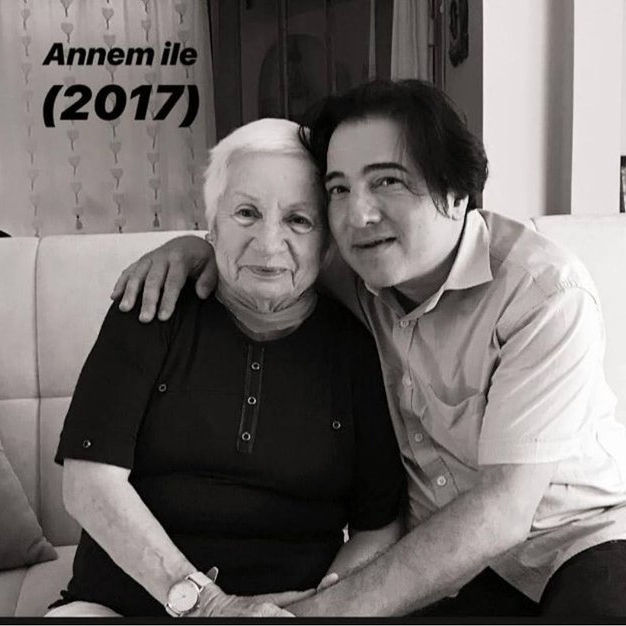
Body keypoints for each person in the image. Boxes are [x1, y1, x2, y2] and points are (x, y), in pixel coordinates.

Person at [113, 79, 626, 618]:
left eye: (387, 181)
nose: (357, 215)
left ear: (456, 191)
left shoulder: (543, 292)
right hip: (443, 564)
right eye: (338, 189)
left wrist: (311, 615)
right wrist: (193, 248)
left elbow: (504, 509)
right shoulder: (352, 272)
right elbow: (267, 255)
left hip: (577, 542)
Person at [47, 118, 404, 618]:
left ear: (328, 241)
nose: (269, 243)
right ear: (211, 224)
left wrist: (317, 609)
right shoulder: (153, 305)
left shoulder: (358, 349)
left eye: (299, 220)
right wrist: (207, 605)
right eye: (246, 213)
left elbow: (378, 524)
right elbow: (89, 485)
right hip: (119, 605)